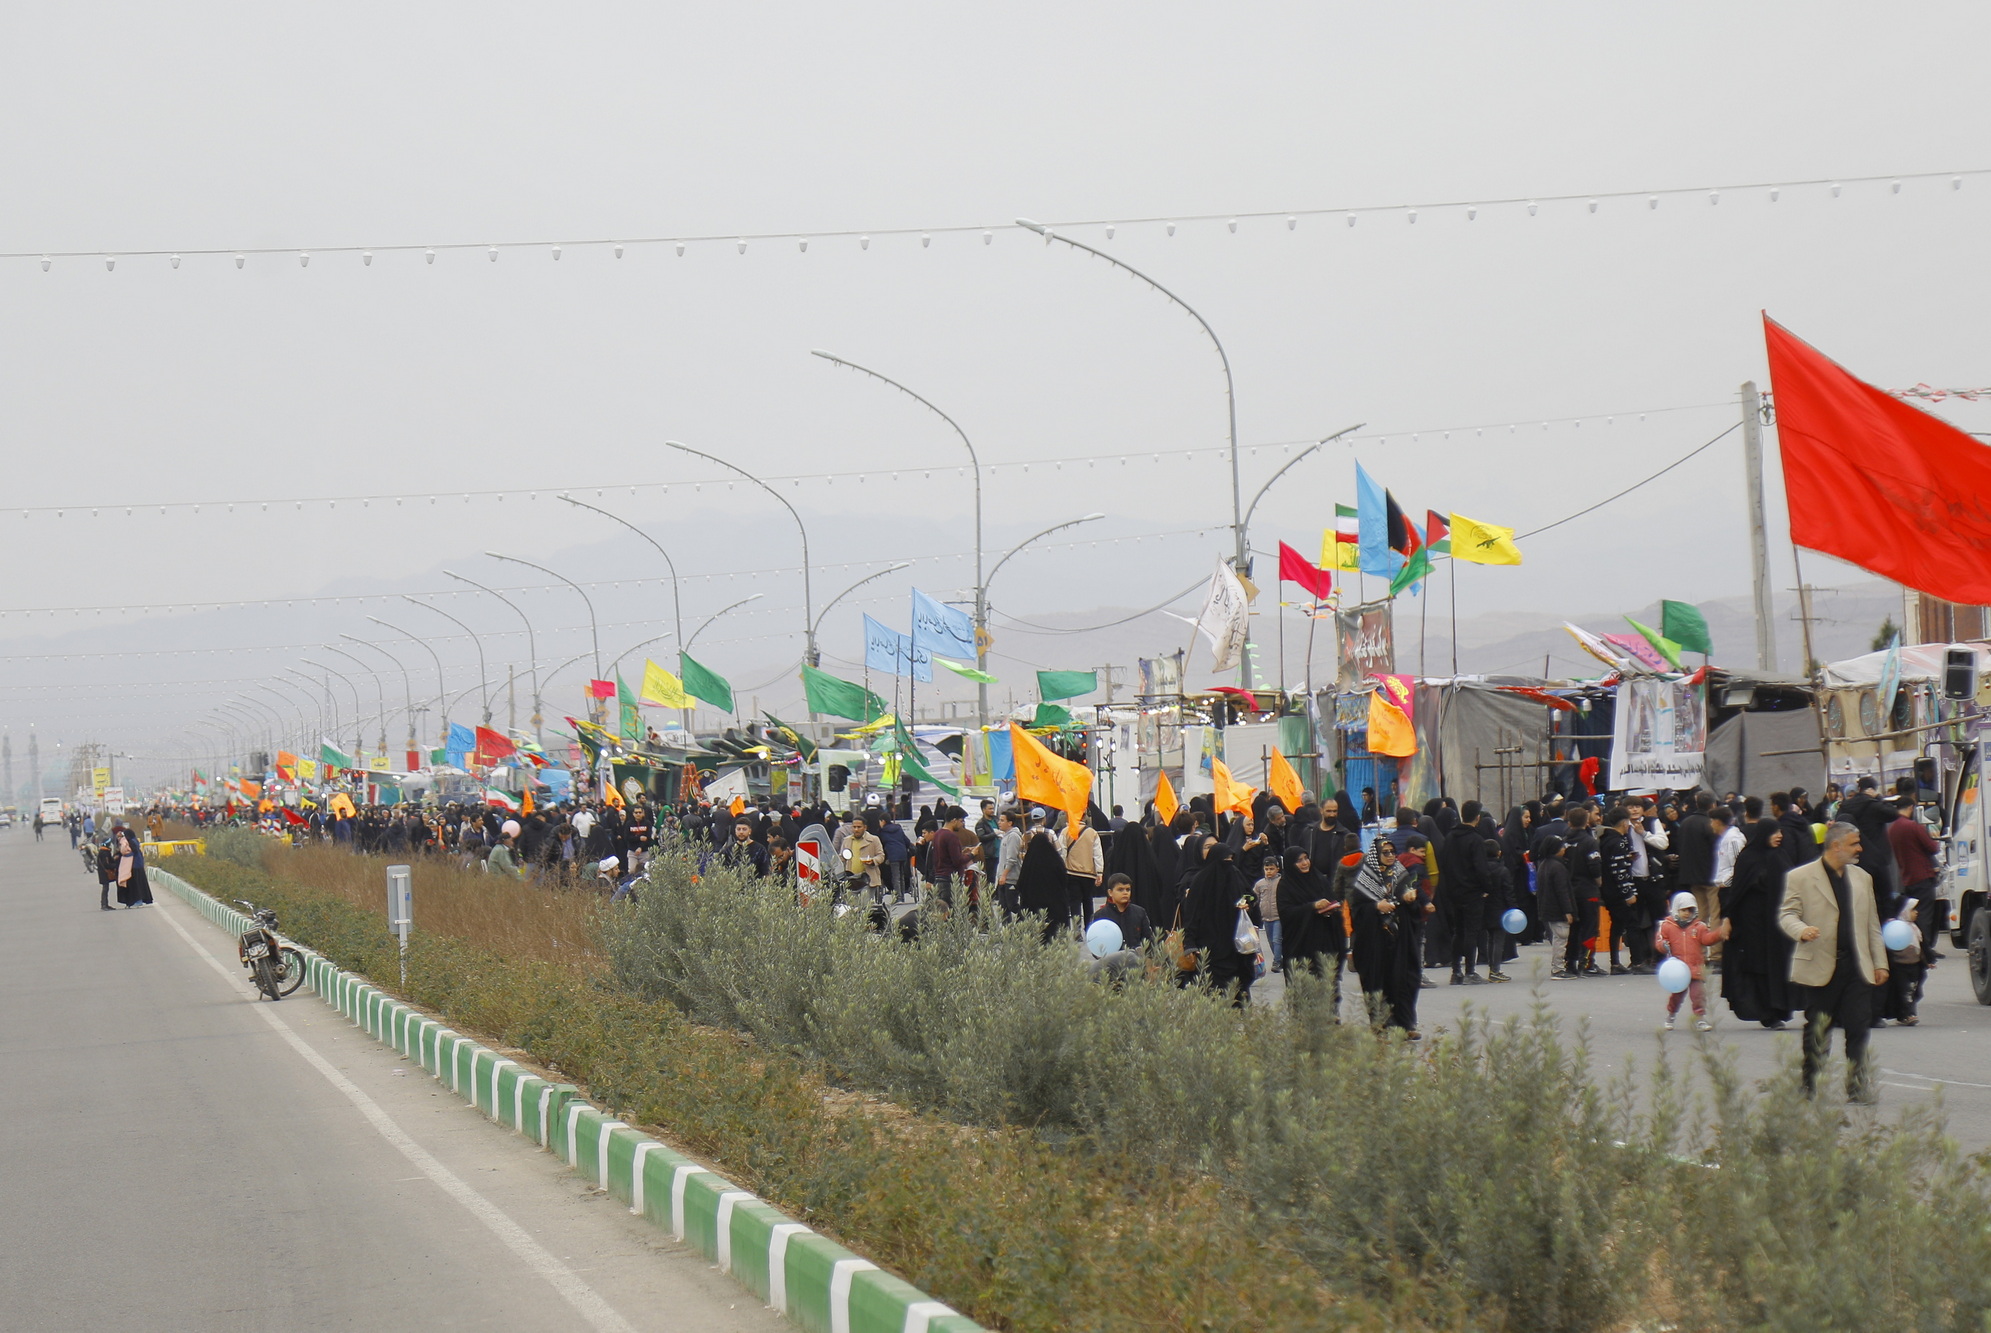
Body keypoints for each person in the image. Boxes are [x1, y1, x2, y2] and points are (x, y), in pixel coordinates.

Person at [1780, 822, 1889, 1103]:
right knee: (1818, 1027)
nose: (1860, 849)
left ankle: (1856, 1086)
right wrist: (1801, 930)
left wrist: (1880, 963)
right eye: (1854, 844)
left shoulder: (1862, 877)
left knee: (1858, 1027)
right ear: (1836, 846)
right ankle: (1810, 1083)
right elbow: (1787, 914)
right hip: (1820, 963)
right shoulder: (1800, 877)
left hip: (1857, 965)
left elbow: (1872, 925)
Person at [1720, 817, 1797, 1028]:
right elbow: (1736, 893)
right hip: (1753, 924)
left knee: (1780, 965)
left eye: (1780, 831)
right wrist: (1727, 918)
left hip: (1778, 923)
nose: (1779, 836)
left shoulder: (1780, 856)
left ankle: (1780, 1008)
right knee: (1760, 967)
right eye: (1774, 832)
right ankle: (1766, 1012)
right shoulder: (1748, 858)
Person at [1349, 837, 1421, 1036]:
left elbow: (1414, 900)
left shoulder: (1400, 874)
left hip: (1400, 939)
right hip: (1375, 941)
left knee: (1404, 980)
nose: (1390, 856)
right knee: (1378, 980)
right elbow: (1357, 911)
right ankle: (1381, 1025)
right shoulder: (1365, 879)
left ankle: (1405, 1025)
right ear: (1376, 855)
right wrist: (1376, 907)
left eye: (1392, 852)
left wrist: (1410, 899)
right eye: (1385, 852)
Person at [1181, 841, 1261, 1004]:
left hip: (1236, 945)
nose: (1228, 863)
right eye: (1225, 859)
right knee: (1215, 992)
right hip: (1211, 947)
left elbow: (1251, 895)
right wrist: (1190, 942)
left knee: (1238, 988)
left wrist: (1247, 903)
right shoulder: (1201, 881)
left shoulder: (1235, 874)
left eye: (1231, 858)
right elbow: (1192, 915)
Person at [1277, 846, 1345, 1014]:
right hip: (1300, 946)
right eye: (1299, 860)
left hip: (1324, 943)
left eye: (1306, 858)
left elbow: (1331, 899)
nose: (1304, 863)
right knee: (1303, 991)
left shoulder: (1319, 879)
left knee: (1327, 987)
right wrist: (1312, 907)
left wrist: (1331, 909)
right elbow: (1286, 913)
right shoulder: (1286, 885)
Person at [1438, 799, 1493, 984]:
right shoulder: (1476, 839)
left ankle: (1456, 971)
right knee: (1471, 931)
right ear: (1477, 817)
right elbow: (1481, 868)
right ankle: (1470, 971)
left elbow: (1444, 864)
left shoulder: (1450, 837)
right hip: (1472, 892)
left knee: (1458, 931)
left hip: (1453, 891)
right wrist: (1486, 888)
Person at [1656, 891, 1729, 1031]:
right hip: (1677, 971)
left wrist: (1719, 933)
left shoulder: (1699, 927)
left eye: (1690, 910)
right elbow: (1660, 941)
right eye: (1683, 910)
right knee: (1676, 997)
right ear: (1676, 909)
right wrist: (1664, 945)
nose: (1687, 913)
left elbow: (1707, 939)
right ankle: (1671, 1014)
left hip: (1695, 969)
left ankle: (1700, 1019)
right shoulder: (1667, 926)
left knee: (1698, 996)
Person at [1887, 795, 1944, 960]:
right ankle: (1925, 950)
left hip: (1907, 876)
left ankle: (1915, 945)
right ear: (1911, 808)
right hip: (1922, 875)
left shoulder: (1893, 829)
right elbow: (1932, 846)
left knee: (1913, 913)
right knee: (1925, 914)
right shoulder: (1912, 826)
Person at [1535, 835, 1577, 978]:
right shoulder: (1558, 867)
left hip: (1547, 907)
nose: (1564, 849)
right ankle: (1558, 968)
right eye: (1562, 847)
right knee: (1561, 938)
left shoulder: (1543, 865)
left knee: (1557, 937)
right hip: (1558, 909)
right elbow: (1562, 891)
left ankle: (1558, 967)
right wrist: (1568, 910)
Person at [1059, 808, 1103, 928]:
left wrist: (1062, 870)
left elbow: (1061, 852)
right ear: (1084, 817)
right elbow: (1097, 854)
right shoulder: (1092, 833)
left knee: (1075, 902)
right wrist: (1099, 872)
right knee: (1088, 901)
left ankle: (1077, 929)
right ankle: (1089, 926)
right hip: (1089, 872)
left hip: (1071, 871)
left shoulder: (1065, 832)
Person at [1090, 873, 1152, 948]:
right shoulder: (1100, 915)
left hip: (1135, 957)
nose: (1125, 893)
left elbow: (1149, 939)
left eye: (1128, 889)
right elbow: (1095, 943)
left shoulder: (1139, 912)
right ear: (1110, 892)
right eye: (1120, 890)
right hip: (1110, 958)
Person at [1251, 853, 1285, 970]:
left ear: (1277, 869)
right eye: (1266, 869)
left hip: (1278, 916)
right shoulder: (1260, 884)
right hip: (1266, 917)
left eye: (1271, 869)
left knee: (1277, 939)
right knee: (1271, 940)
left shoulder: (1282, 881)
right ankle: (1279, 957)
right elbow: (1254, 897)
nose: (1269, 871)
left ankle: (1277, 962)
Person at [842, 814, 885, 899]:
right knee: (852, 907)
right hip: (852, 879)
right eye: (854, 827)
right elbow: (842, 856)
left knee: (865, 906)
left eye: (859, 827)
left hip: (867, 879)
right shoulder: (847, 840)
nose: (856, 829)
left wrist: (873, 861)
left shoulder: (873, 839)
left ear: (865, 827)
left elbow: (881, 856)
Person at [110, 825, 152, 907]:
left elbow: (132, 851)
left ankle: (138, 900)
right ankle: (134, 900)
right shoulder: (132, 841)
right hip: (134, 865)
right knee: (136, 884)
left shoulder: (132, 841)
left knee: (136, 884)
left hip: (135, 866)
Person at [993, 808, 1024, 917]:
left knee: (1012, 905)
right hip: (1003, 876)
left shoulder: (1013, 836)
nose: (999, 822)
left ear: (1010, 823)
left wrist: (1004, 875)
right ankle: (1007, 929)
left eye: (1002, 820)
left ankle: (1027, 920)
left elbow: (1012, 858)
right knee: (1003, 907)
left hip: (1010, 877)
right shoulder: (1005, 835)